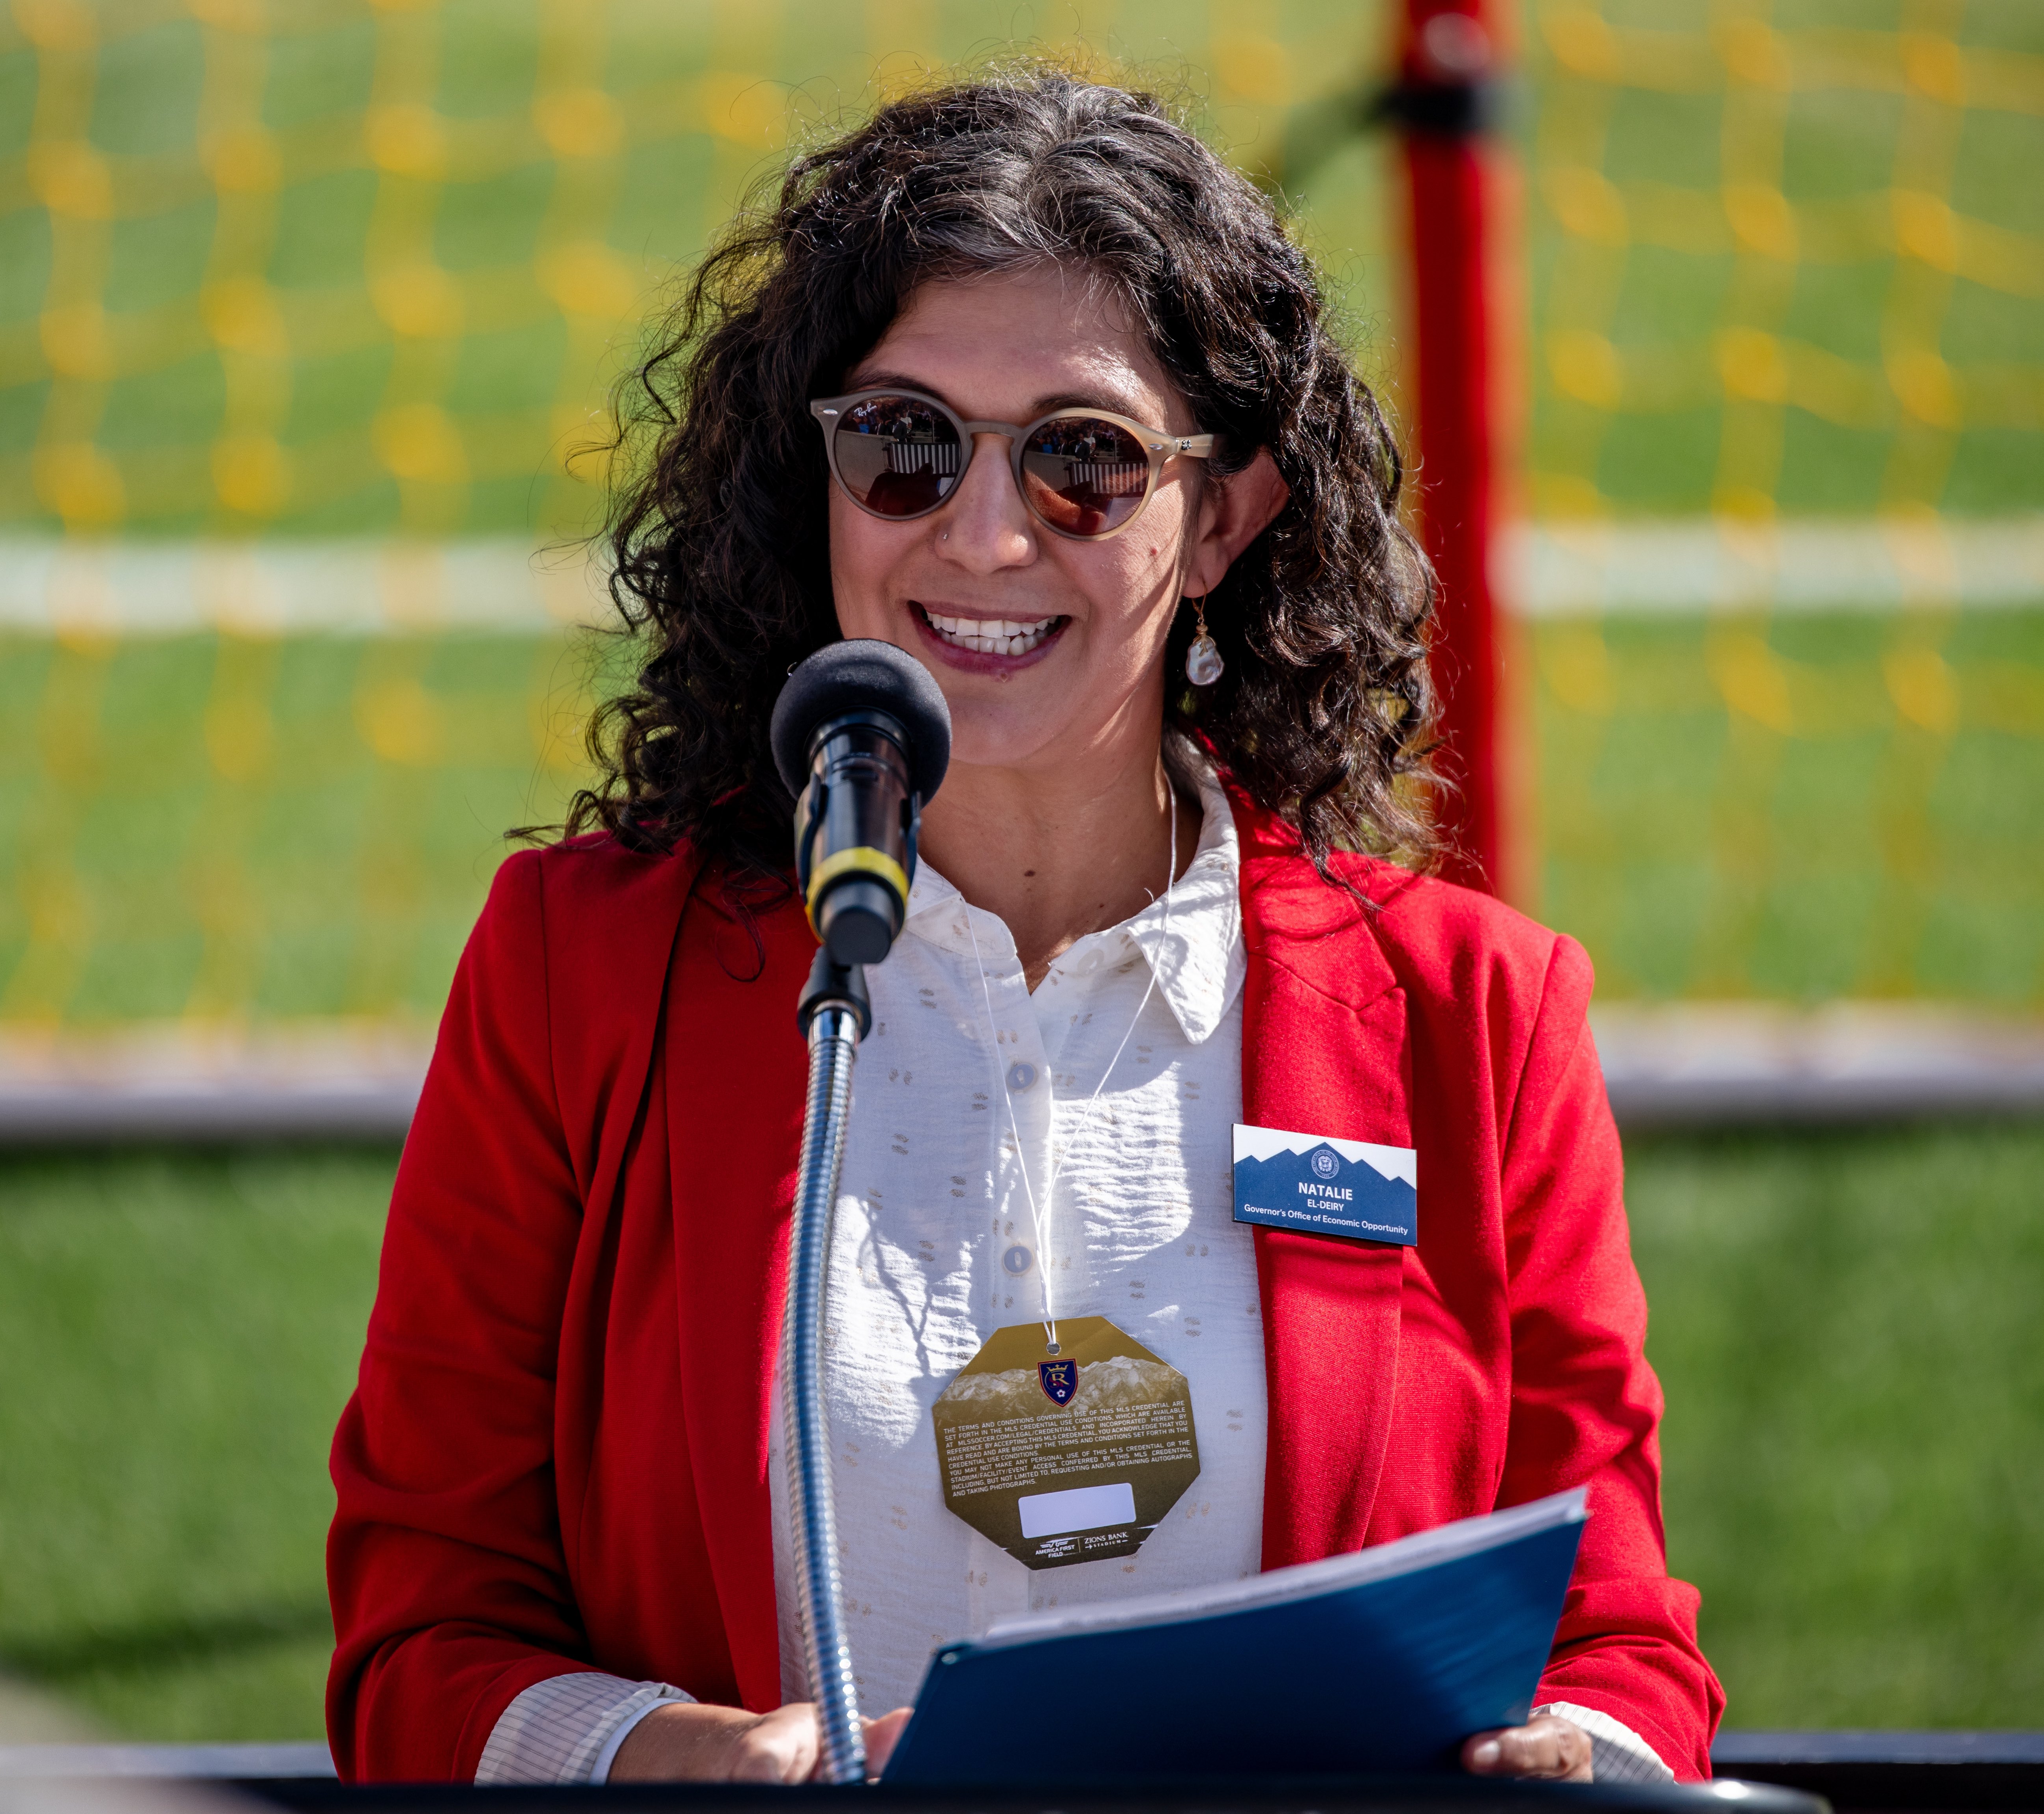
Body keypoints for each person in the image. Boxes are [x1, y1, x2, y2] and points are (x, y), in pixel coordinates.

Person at [326, 68, 1721, 1787]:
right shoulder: (577, 968)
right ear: (815, 476)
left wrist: (1571, 1756)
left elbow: (1619, 1636)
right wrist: (665, 1758)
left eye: (1083, 462)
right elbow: (417, 1641)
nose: (980, 535)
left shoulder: (1476, 1012)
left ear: (1222, 517)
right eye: (904, 445)